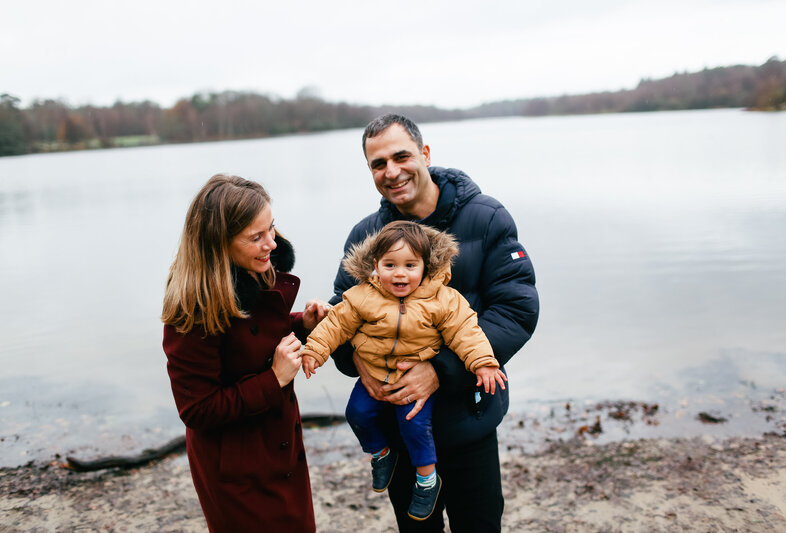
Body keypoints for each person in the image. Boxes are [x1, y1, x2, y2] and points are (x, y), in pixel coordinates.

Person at [328, 114, 539, 532]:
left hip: (467, 418)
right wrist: (355, 358)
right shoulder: (367, 235)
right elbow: (344, 315)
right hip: (398, 425)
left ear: (424, 154)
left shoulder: (486, 218)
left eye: (401, 156)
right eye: (378, 163)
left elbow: (515, 310)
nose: (392, 172)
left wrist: (440, 370)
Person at [301, 221, 508, 521]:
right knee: (356, 413)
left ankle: (427, 480)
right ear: (376, 265)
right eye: (390, 265)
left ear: (426, 266)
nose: (400, 273)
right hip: (375, 374)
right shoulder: (361, 296)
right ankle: (380, 453)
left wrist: (484, 363)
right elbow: (336, 325)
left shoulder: (442, 300)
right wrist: (315, 351)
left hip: (415, 380)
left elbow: (466, 332)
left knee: (413, 425)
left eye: (411, 265)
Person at [161, 174, 329, 533]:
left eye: (272, 228)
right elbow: (197, 409)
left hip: (281, 450)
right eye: (256, 237)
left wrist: (302, 325)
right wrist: (274, 380)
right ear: (218, 244)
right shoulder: (191, 312)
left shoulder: (253, 272)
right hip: (234, 472)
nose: (271, 244)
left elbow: (254, 340)